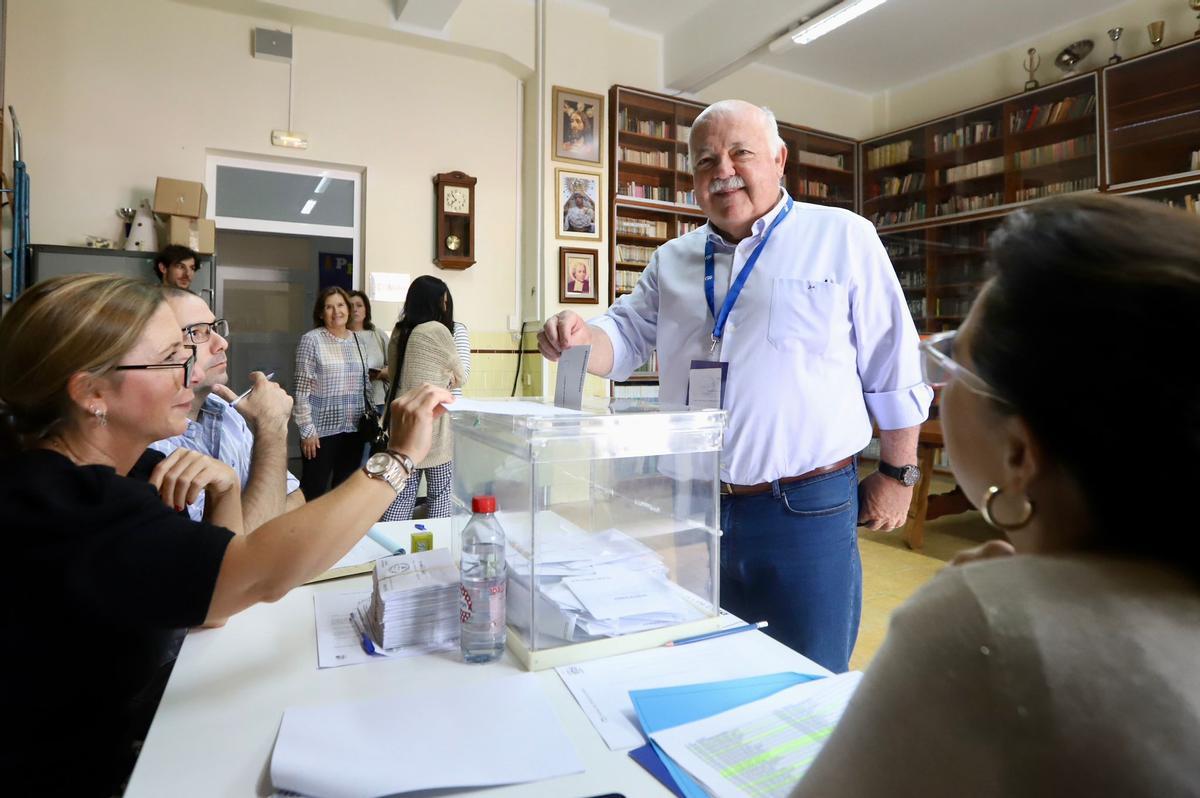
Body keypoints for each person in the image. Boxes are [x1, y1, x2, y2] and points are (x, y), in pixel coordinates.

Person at [792, 195, 1200, 796]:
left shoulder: (987, 622)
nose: (940, 374)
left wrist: (988, 607)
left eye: (955, 354)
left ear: (1018, 452)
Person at [0, 273, 449, 795]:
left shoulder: (108, 476)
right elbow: (259, 573)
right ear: (92, 393)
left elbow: (212, 602)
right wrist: (398, 458)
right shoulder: (72, 507)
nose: (187, 375)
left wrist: (226, 492)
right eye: (170, 359)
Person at [538, 99, 931, 673]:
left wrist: (899, 473)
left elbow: (893, 362)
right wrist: (578, 337)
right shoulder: (673, 259)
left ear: (779, 159)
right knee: (714, 667)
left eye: (739, 152)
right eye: (705, 161)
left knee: (810, 674)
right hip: (697, 505)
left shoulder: (843, 237)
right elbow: (621, 336)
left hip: (808, 504)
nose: (722, 170)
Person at [150, 288, 305, 529]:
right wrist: (271, 428)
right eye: (196, 332)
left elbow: (295, 498)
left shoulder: (227, 411)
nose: (222, 343)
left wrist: (255, 518)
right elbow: (230, 553)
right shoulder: (151, 443)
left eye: (214, 328)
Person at [381, 276, 464, 521]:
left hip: (402, 420)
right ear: (437, 302)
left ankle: (392, 548)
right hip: (433, 426)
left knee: (401, 492)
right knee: (441, 493)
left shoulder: (399, 330)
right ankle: (435, 548)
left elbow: (395, 374)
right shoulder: (437, 330)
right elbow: (461, 375)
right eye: (444, 301)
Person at [293, 286, 372, 499]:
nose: (336, 311)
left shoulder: (358, 340)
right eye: (329, 307)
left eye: (340, 305)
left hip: (354, 429)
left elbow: (365, 384)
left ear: (348, 309)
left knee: (344, 492)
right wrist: (306, 430)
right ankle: (305, 532)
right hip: (321, 432)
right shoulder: (311, 340)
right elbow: (301, 389)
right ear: (321, 313)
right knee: (313, 491)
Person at [348, 289, 390, 417]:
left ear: (366, 310)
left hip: (377, 400)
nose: (355, 309)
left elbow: (395, 366)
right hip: (348, 402)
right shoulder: (339, 337)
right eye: (350, 306)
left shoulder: (378, 334)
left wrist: (380, 373)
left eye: (359, 305)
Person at [451, 318, 472, 398]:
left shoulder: (456, 329)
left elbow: (462, 375)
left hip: (451, 404)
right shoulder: (411, 329)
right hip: (416, 404)